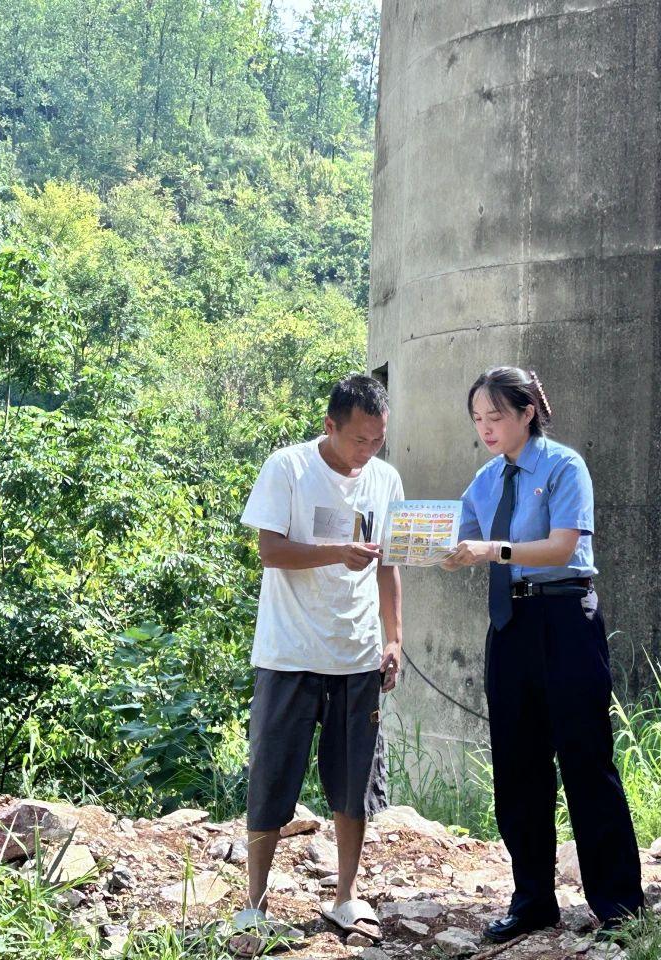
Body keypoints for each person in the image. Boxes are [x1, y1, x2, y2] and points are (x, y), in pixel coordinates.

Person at [443, 366, 644, 943]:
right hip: (509, 625)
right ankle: (532, 901)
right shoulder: (485, 480)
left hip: (564, 617)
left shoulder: (563, 467)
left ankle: (619, 908)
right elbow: (452, 536)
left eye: (496, 416)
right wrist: (416, 542)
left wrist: (492, 550)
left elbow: (561, 547)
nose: (486, 428)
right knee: (517, 766)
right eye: (477, 419)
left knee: (585, 760)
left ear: (527, 412)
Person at [234, 373, 404, 952]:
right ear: (330, 426)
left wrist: (394, 638)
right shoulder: (288, 468)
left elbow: (389, 564)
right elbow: (270, 550)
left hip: (357, 653)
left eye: (378, 439)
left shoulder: (385, 479)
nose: (368, 450)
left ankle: (346, 896)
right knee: (272, 775)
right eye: (359, 439)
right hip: (289, 651)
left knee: (354, 781)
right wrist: (336, 553)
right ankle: (254, 904)